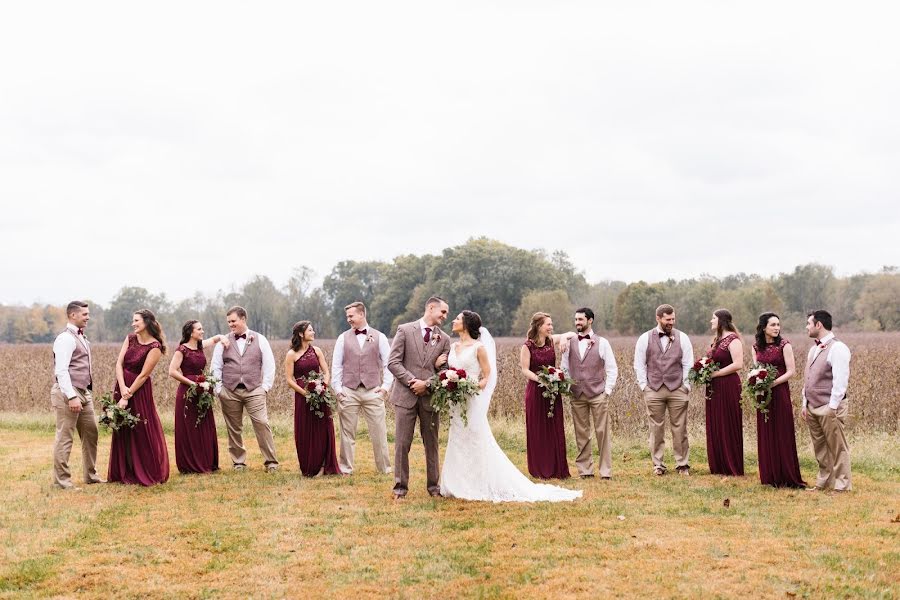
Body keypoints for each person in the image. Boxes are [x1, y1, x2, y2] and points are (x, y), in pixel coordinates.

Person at [440, 311, 582, 502]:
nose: (454, 321)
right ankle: (456, 482)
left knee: (475, 437)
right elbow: (449, 369)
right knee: (457, 437)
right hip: (455, 401)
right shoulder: (453, 346)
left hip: (471, 398)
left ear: (466, 324)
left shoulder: (479, 348)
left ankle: (479, 482)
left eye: (457, 318)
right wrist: (448, 379)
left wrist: (469, 385)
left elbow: (486, 377)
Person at [387, 296, 452, 499]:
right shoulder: (405, 330)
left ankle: (434, 488)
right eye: (443, 312)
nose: (445, 316)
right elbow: (393, 362)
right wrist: (413, 381)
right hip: (405, 396)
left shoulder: (445, 339)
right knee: (402, 444)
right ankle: (400, 488)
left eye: (447, 314)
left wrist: (427, 385)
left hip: (430, 399)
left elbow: (445, 372)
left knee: (431, 444)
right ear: (431, 308)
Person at [211, 306, 279, 472]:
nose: (230, 325)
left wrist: (265, 387)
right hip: (230, 390)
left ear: (243, 319)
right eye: (228, 322)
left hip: (254, 389)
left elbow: (269, 364)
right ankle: (238, 462)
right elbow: (216, 366)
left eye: (233, 321)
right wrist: (218, 389)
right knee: (234, 428)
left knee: (262, 423)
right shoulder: (223, 342)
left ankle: (271, 462)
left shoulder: (260, 339)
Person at [108, 309, 170, 486]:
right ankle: (123, 471)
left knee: (140, 428)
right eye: (133, 320)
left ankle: (145, 471)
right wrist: (121, 388)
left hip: (139, 390)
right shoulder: (130, 338)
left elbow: (144, 375)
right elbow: (119, 364)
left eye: (136, 320)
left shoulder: (155, 347)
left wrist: (128, 395)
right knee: (122, 427)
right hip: (122, 386)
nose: (133, 323)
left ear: (147, 322)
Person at [331, 302, 393, 475]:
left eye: (351, 316)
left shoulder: (379, 337)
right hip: (349, 390)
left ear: (362, 314)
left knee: (379, 432)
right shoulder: (342, 338)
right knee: (347, 433)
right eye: (347, 316)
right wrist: (338, 389)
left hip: (373, 391)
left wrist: (385, 388)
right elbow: (336, 366)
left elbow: (389, 364)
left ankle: (384, 469)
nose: (348, 319)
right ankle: (346, 468)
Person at [633, 304, 695, 476]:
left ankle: (682, 464)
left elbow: (688, 363)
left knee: (680, 427)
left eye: (673, 319)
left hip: (677, 388)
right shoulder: (645, 338)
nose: (671, 322)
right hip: (653, 388)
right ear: (658, 318)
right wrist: (644, 386)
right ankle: (658, 464)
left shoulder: (682, 338)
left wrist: (686, 386)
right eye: (668, 319)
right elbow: (639, 364)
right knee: (656, 428)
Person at [560, 308, 618, 479]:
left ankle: (606, 471)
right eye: (576, 319)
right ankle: (585, 470)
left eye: (580, 319)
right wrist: (569, 387)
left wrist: (607, 391)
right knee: (581, 433)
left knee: (602, 433)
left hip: (598, 394)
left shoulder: (603, 343)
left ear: (590, 320)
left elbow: (612, 368)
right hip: (577, 395)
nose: (577, 322)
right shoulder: (569, 342)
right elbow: (565, 367)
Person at [50, 300, 103, 489]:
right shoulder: (65, 338)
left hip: (84, 392)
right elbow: (61, 371)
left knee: (91, 432)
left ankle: (91, 475)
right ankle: (61, 482)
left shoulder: (82, 337)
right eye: (84, 314)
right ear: (73, 315)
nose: (88, 317)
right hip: (68, 392)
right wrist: (71, 396)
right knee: (65, 437)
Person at [752, 313, 805, 488]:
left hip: (780, 391)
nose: (776, 328)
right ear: (763, 327)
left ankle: (788, 476)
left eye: (778, 325)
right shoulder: (755, 347)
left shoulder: (784, 345)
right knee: (766, 431)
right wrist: (757, 383)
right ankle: (769, 475)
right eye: (773, 325)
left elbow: (792, 371)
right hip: (762, 395)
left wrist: (772, 383)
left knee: (782, 431)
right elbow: (755, 370)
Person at [167, 321, 227, 474]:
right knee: (190, 428)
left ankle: (206, 461)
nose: (202, 331)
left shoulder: (200, 346)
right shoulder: (182, 350)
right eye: (199, 329)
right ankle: (190, 464)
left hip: (203, 390)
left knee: (204, 424)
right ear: (191, 332)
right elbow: (172, 371)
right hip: (188, 392)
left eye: (202, 328)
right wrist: (192, 384)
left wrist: (222, 337)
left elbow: (214, 340)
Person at [801, 310, 852, 492]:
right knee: (820, 448)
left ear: (818, 325)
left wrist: (833, 406)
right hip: (813, 406)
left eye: (809, 323)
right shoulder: (814, 349)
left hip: (829, 406)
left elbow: (840, 381)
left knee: (838, 447)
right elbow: (808, 378)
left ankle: (842, 485)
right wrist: (804, 403)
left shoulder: (838, 348)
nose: (806, 327)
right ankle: (824, 482)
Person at [518, 312, 572, 479]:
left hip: (552, 393)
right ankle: (540, 467)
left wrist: (562, 338)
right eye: (548, 324)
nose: (551, 327)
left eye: (551, 324)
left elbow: (570, 334)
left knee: (553, 427)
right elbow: (525, 369)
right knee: (538, 429)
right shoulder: (527, 346)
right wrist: (541, 380)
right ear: (539, 326)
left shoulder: (550, 340)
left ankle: (557, 468)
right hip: (536, 391)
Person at [285, 321, 341, 477]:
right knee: (306, 430)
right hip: (303, 397)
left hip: (320, 395)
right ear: (301, 334)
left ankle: (324, 465)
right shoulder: (291, 354)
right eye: (310, 330)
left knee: (323, 429)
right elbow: (289, 380)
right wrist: (305, 393)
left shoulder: (317, 351)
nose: (314, 332)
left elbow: (326, 371)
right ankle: (310, 466)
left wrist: (324, 385)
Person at [704, 309, 745, 476]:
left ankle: (731, 465)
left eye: (713, 318)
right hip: (714, 387)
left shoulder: (733, 340)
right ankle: (719, 464)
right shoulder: (717, 340)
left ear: (721, 320)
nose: (711, 321)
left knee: (727, 422)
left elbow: (738, 364)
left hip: (728, 385)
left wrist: (716, 374)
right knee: (716, 422)